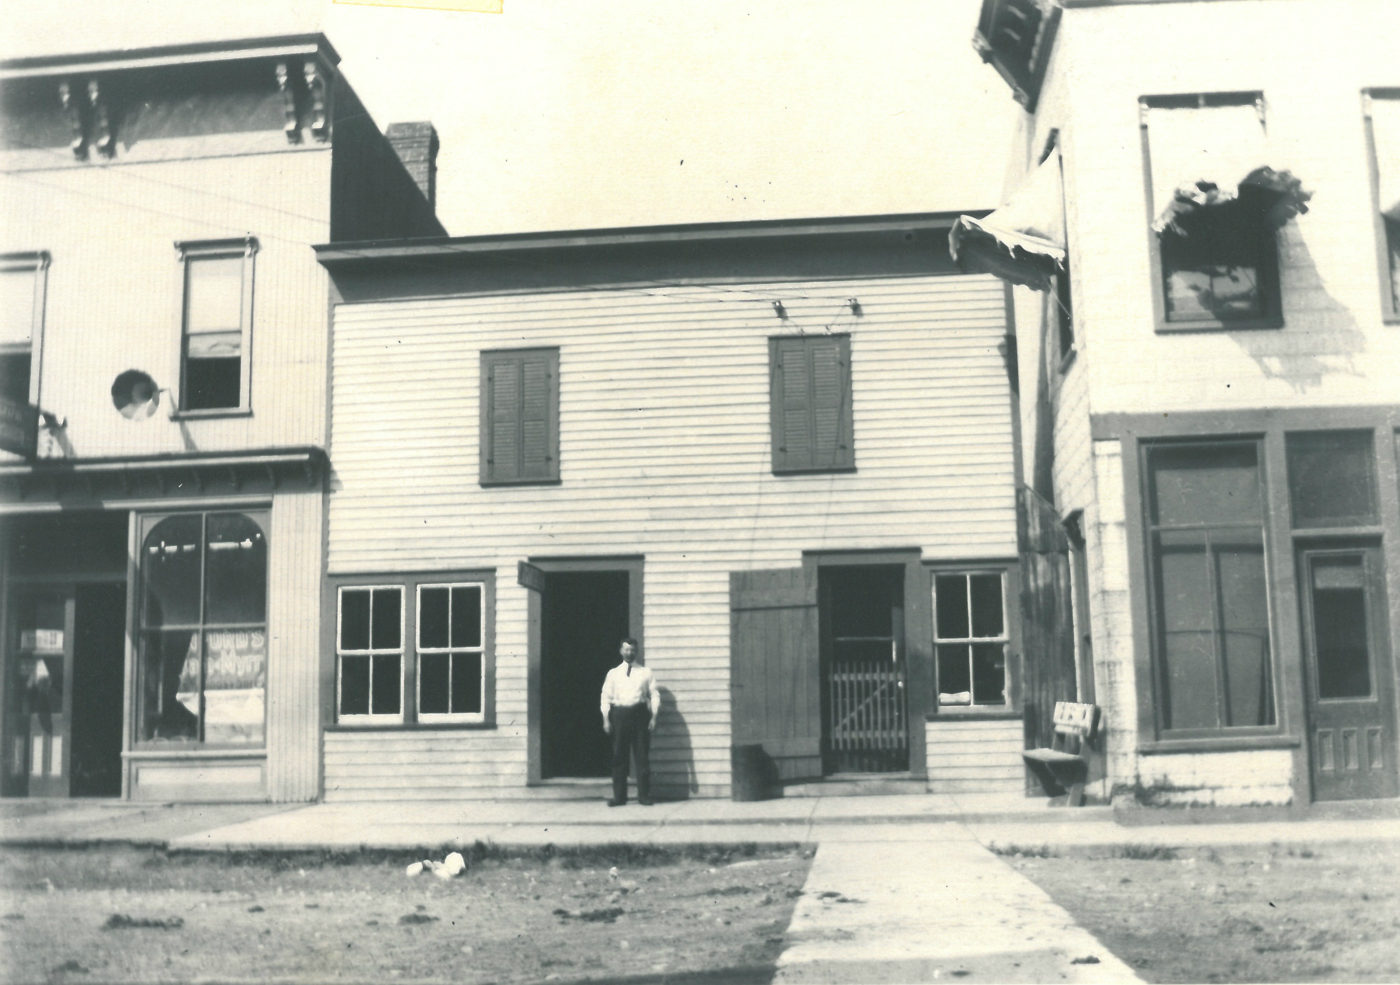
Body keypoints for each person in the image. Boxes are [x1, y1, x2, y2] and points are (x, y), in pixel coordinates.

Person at [599, 637, 659, 806]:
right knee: (619, 756)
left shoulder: (645, 672)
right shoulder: (613, 673)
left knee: (642, 756)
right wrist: (606, 719)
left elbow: (654, 695)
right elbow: (605, 697)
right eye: (626, 649)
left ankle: (644, 796)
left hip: (640, 715)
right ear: (621, 651)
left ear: (636, 651)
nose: (629, 652)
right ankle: (619, 797)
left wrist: (654, 716)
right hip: (619, 715)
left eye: (632, 649)